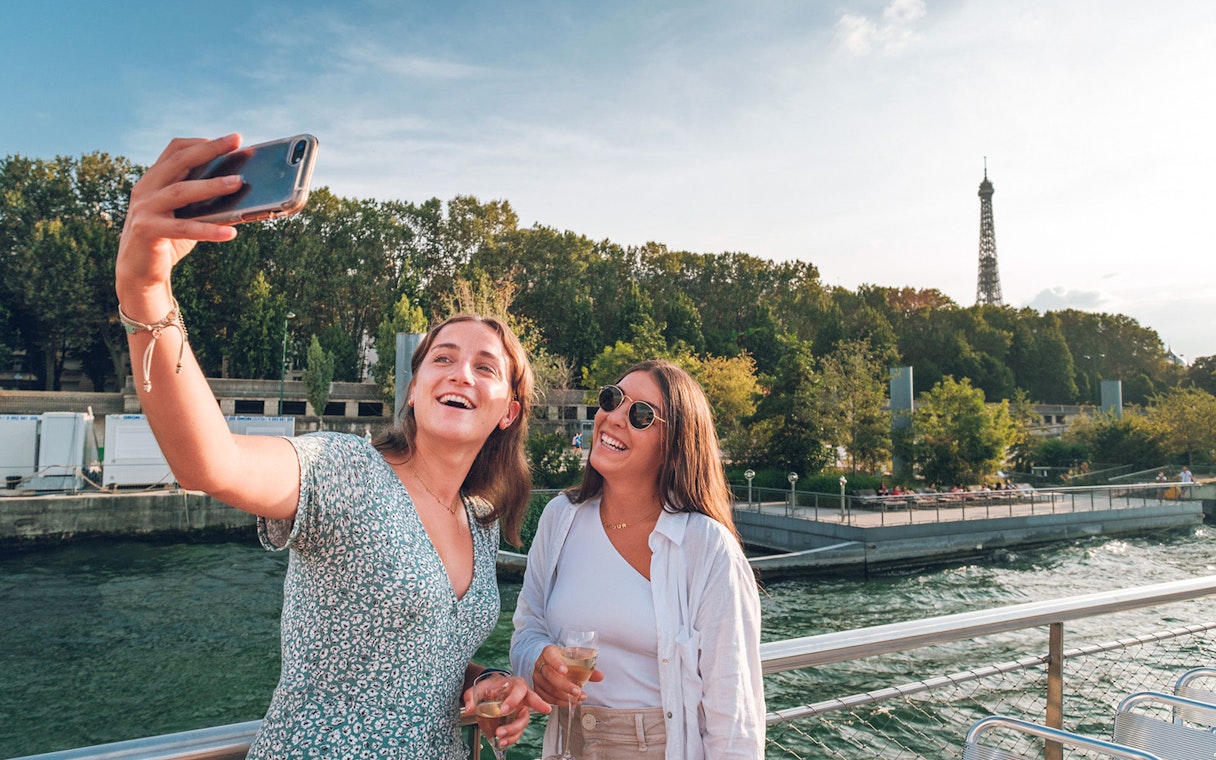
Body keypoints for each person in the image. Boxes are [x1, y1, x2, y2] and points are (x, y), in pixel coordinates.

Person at [115, 133, 548, 758]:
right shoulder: (342, 469)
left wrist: (483, 683)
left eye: (485, 366)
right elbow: (209, 461)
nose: (460, 373)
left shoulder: (477, 521)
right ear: (414, 389)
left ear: (509, 411)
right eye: (443, 358)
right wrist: (146, 291)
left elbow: (422, 658)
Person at [511, 359, 765, 758]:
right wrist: (538, 664)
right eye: (612, 399)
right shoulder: (560, 518)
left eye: (640, 415)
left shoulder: (707, 548)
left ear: (674, 446)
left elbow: (733, 718)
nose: (613, 417)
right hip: (569, 745)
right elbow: (527, 629)